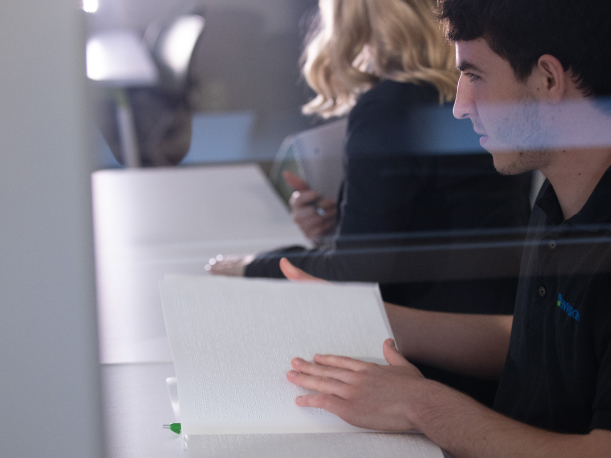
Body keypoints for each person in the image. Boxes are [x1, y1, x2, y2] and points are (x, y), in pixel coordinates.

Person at [281, 0, 611, 456]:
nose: (459, 107)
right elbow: (539, 337)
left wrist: (423, 404)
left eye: (473, 75)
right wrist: (356, 314)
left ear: (547, 80)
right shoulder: (565, 190)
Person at [208, 0, 532, 405]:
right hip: (497, 354)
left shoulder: (388, 107)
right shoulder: (476, 94)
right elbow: (441, 227)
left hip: (426, 363)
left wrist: (253, 265)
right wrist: (342, 226)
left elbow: (354, 273)